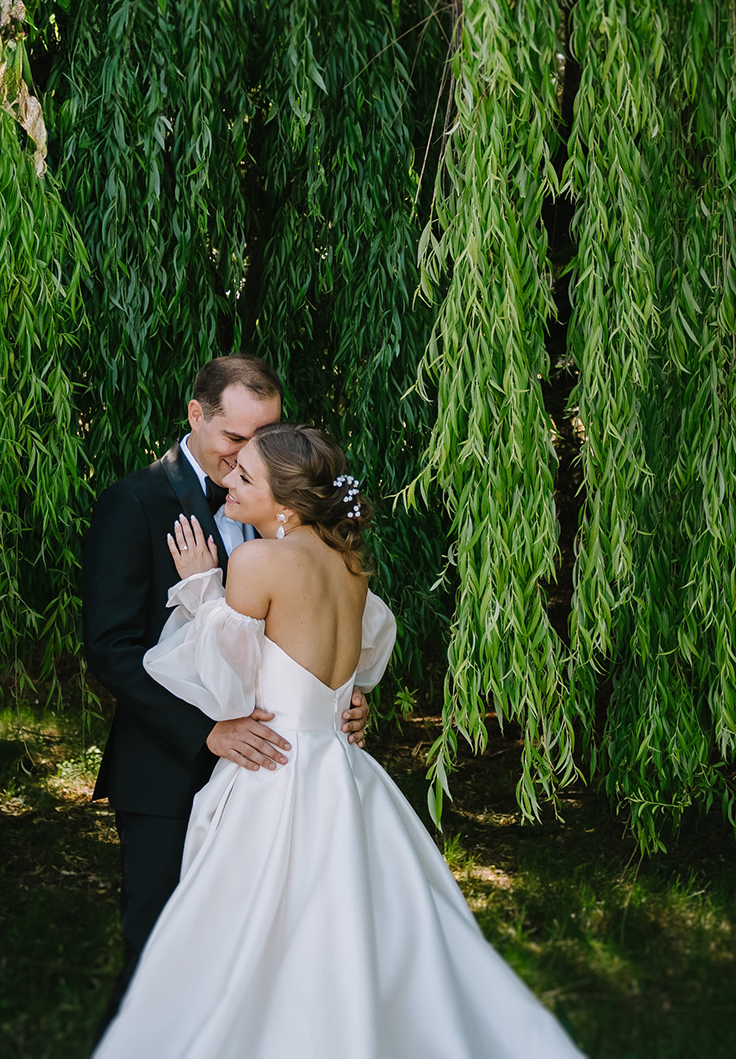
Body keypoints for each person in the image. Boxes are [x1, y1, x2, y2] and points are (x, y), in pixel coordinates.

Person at [92, 423, 586, 1059]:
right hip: (340, 768)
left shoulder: (255, 561)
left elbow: (225, 684)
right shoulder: (352, 566)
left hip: (274, 769)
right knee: (343, 923)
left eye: (245, 478)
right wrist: (342, 703)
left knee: (251, 928)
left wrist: (198, 589)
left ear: (288, 506)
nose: (228, 484)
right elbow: (358, 654)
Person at [81, 356, 370, 1025]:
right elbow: (111, 650)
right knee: (161, 955)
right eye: (235, 439)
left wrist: (339, 697)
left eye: (267, 435)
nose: (251, 453)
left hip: (278, 784)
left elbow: (311, 634)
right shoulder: (134, 502)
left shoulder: (295, 527)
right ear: (197, 415)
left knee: (267, 958)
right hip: (169, 772)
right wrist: (204, 731)